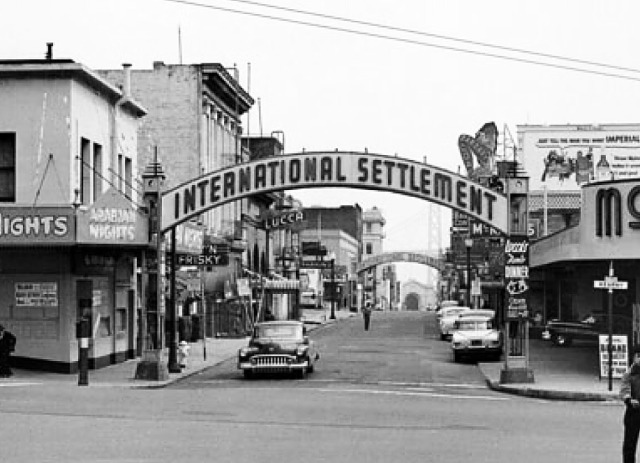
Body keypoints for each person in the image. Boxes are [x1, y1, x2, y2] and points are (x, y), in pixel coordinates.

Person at [621, 345, 640, 463]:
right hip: (634, 411)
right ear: (634, 358)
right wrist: (629, 400)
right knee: (630, 444)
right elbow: (624, 390)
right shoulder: (629, 374)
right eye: (639, 356)